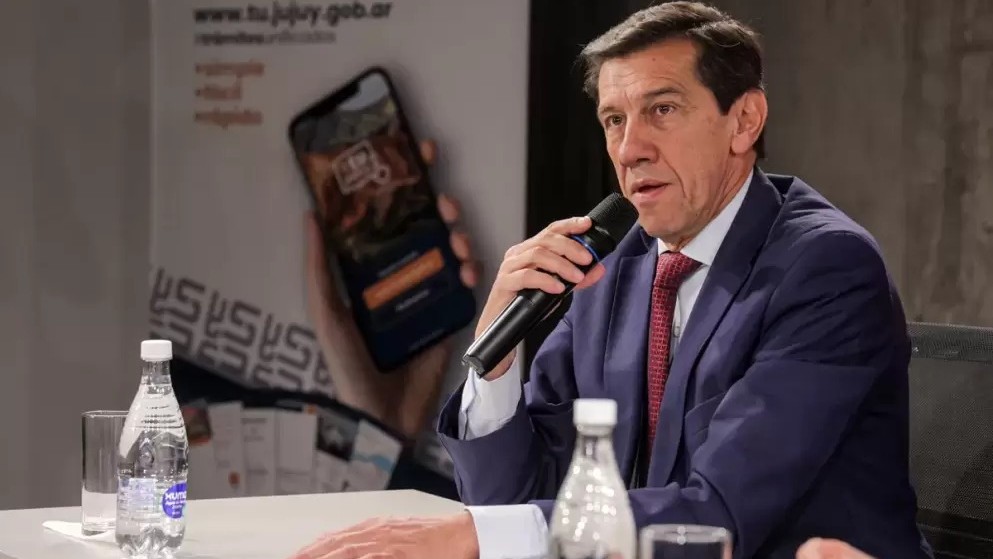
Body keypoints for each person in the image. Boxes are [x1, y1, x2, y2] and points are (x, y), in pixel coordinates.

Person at [289, 2, 934, 558]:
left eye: (662, 109)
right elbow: (519, 497)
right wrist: (496, 357)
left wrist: (475, 537)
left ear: (744, 121)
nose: (629, 150)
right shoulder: (616, 263)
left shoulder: (826, 269)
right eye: (614, 120)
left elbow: (716, 518)